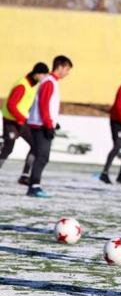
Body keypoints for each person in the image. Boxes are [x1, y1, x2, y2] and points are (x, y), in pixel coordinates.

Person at [26, 55, 73, 198]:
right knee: (42, 156)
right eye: (67, 69)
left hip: (43, 123)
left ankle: (34, 186)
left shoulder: (51, 82)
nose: (67, 73)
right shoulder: (50, 81)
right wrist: (48, 124)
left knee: (42, 156)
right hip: (40, 125)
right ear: (60, 67)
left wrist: (53, 122)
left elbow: (48, 105)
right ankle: (34, 187)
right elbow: (43, 104)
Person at [0, 62, 49, 185]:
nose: (44, 78)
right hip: (11, 121)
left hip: (21, 121)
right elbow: (11, 105)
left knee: (35, 145)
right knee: (8, 149)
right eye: (43, 75)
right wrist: (21, 118)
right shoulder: (22, 85)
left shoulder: (33, 85)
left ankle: (25, 176)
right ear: (37, 74)